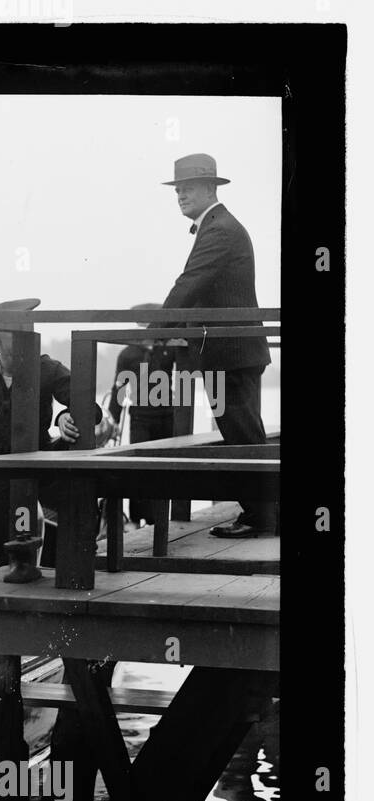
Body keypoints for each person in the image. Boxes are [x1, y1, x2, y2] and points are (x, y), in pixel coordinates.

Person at [158, 153, 275, 538]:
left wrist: (158, 327)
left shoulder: (219, 229)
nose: (180, 196)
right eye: (177, 190)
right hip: (231, 353)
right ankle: (264, 513)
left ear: (210, 188)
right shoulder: (216, 225)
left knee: (242, 438)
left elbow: (191, 282)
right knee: (244, 435)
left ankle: (263, 516)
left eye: (187, 188)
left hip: (231, 354)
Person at [0, 306, 102, 566]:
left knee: (70, 517)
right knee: (3, 544)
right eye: (13, 333)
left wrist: (65, 416)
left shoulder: (46, 368)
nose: (22, 340)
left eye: (27, 333)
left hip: (39, 464)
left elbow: (92, 408)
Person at [106, 303, 179, 524]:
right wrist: (113, 421)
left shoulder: (167, 349)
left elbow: (186, 368)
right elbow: (118, 388)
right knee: (138, 468)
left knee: (164, 470)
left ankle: (160, 519)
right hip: (140, 418)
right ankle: (138, 519)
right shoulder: (129, 353)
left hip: (167, 416)